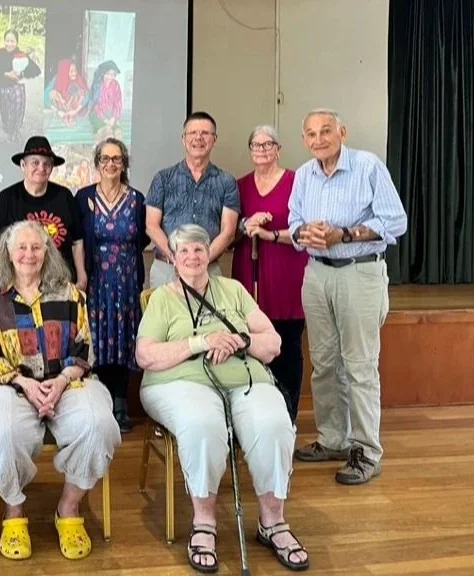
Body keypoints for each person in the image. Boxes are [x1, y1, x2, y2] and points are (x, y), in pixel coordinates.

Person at [135, 224, 308, 573]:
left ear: (209, 254)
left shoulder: (233, 290)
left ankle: (273, 521)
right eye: (184, 251)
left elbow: (272, 343)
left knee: (274, 422)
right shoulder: (162, 298)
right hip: (181, 382)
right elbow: (145, 355)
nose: (192, 256)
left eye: (199, 249)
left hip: (245, 377)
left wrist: (242, 339)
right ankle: (204, 523)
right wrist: (201, 342)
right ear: (173, 258)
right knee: (203, 425)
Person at [0, 220, 121, 561]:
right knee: (2, 431)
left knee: (98, 424)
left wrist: (62, 380)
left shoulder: (68, 293)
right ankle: (13, 510)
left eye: (36, 247)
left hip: (65, 381)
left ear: (47, 252)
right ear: (8, 253)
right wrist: (23, 383)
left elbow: (84, 346)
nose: (29, 254)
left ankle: (68, 507)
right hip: (9, 384)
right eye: (21, 247)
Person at [288, 108, 408, 485]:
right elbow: (293, 220)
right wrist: (303, 233)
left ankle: (366, 452)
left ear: (343, 132)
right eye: (311, 134)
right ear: (304, 140)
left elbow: (396, 221)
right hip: (317, 273)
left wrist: (345, 234)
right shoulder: (304, 175)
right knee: (324, 363)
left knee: (359, 366)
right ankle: (333, 439)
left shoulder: (368, 166)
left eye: (326, 131)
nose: (319, 139)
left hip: (359, 271)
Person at [229, 125, 309, 424]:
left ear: (279, 149)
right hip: (248, 276)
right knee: (250, 345)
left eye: (268, 144)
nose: (262, 150)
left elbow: (305, 231)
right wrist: (246, 224)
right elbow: (230, 234)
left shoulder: (296, 182)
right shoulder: (239, 186)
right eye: (256, 145)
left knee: (287, 348)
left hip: (287, 277)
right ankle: (256, 417)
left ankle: (287, 417)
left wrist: (269, 234)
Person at [75, 138, 148, 433]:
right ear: (97, 163)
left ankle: (120, 404)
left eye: (117, 159)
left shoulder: (137, 199)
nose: (111, 164)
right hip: (96, 282)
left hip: (126, 282)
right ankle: (101, 404)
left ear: (124, 163)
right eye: (105, 158)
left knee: (123, 339)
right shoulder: (83, 197)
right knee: (98, 339)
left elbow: (142, 237)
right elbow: (78, 239)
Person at [146, 111, 239, 287]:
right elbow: (151, 226)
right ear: (183, 139)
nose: (198, 138)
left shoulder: (227, 181)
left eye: (205, 133)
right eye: (192, 133)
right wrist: (177, 257)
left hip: (208, 269)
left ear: (214, 139)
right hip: (167, 269)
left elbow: (228, 232)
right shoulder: (163, 178)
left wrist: (200, 260)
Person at [0, 136, 87, 291]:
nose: (41, 168)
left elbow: (77, 242)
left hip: (60, 284)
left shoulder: (65, 197)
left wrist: (82, 278)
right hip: (17, 286)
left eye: (47, 164)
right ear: (23, 165)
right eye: (35, 162)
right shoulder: (6, 198)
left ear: (52, 168)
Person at [0, 29, 42, 140]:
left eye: (12, 41)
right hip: (4, 89)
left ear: (17, 42)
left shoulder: (21, 55)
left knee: (17, 111)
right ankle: (7, 129)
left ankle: (15, 132)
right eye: (7, 41)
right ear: (4, 41)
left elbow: (36, 70)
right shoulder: (0, 53)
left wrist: (21, 73)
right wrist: (6, 74)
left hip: (17, 89)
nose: (9, 44)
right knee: (5, 111)